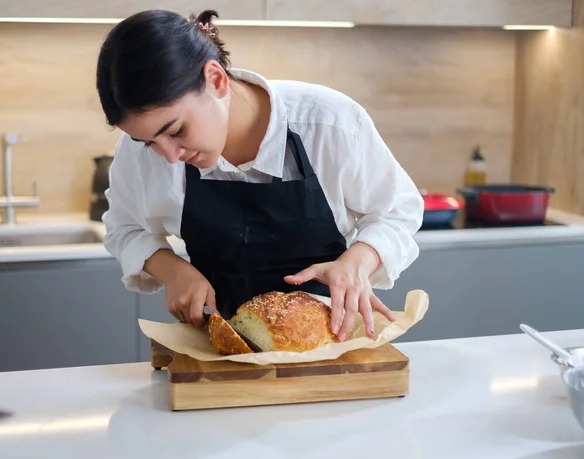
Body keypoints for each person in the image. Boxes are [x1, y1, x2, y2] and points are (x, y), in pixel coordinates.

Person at [96, 9, 424, 342]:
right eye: (148, 141)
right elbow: (125, 227)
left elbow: (398, 210)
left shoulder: (329, 123)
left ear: (217, 81)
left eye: (177, 131)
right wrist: (172, 270)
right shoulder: (141, 151)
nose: (168, 155)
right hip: (224, 344)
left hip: (330, 340)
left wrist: (358, 260)